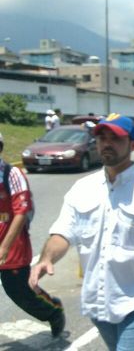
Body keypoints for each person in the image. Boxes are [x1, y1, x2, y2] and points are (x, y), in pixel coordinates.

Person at [29, 114, 134, 351]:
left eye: (115, 138)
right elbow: (63, 232)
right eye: (101, 138)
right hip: (98, 301)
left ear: (133, 145)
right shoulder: (82, 188)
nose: (106, 143)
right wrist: (46, 258)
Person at [0, 132, 66, 337]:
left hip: (12, 245)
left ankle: (53, 311)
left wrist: (4, 247)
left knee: (19, 292)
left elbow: (21, 212)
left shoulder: (12, 175)